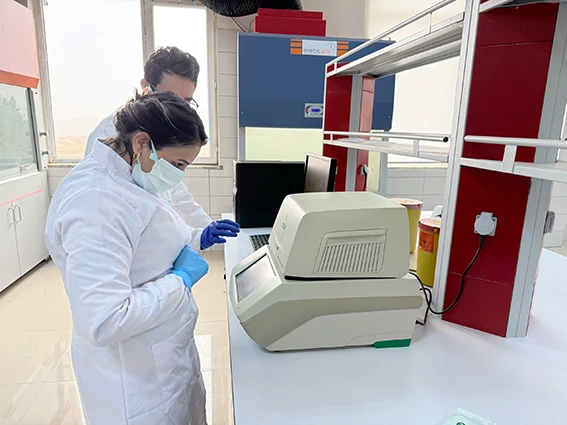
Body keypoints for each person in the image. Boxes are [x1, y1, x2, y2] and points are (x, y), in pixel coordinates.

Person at [46, 91, 220, 425]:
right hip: (135, 384)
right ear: (142, 142)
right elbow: (105, 320)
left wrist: (196, 237)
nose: (179, 174)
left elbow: (149, 239)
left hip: (163, 356)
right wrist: (180, 280)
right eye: (179, 164)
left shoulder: (133, 175)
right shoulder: (95, 202)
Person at [85, 46, 239, 249]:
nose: (177, 110)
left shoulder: (165, 134)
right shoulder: (111, 136)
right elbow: (122, 215)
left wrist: (204, 231)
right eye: (169, 98)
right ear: (145, 87)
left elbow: (174, 194)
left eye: (185, 102)